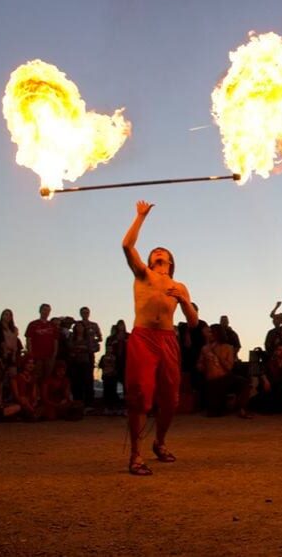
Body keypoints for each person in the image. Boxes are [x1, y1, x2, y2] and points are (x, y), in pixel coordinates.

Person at [122, 200, 199, 476]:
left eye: (161, 252)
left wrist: (184, 301)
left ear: (170, 261)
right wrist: (140, 217)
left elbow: (193, 322)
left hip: (167, 340)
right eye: (154, 252)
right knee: (140, 395)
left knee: (170, 399)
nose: (156, 253)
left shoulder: (179, 286)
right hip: (143, 337)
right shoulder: (143, 275)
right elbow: (128, 246)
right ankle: (135, 455)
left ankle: (160, 442)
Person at [198, 324, 253, 418]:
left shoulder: (228, 347)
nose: (210, 335)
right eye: (209, 333)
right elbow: (200, 364)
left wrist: (218, 355)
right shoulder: (204, 348)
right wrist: (202, 365)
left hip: (226, 378)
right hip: (212, 381)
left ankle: (242, 409)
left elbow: (229, 367)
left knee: (244, 382)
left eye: (212, 332)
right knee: (214, 413)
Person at [26, 304, 59, 380]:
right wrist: (30, 353)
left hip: (49, 356)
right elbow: (29, 339)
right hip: (36, 356)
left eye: (48, 310)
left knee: (47, 377)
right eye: (44, 310)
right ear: (40, 311)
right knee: (36, 376)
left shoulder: (52, 325)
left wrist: (54, 354)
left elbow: (55, 340)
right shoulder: (33, 324)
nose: (46, 312)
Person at [11, 355, 41, 420]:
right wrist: (25, 401)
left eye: (33, 363)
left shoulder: (33, 378)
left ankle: (31, 413)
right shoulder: (15, 378)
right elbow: (16, 396)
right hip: (20, 401)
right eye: (28, 363)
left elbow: (34, 394)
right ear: (24, 364)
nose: (31, 365)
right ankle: (33, 413)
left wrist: (34, 401)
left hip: (30, 402)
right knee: (23, 400)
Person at [0, 309, 22, 378]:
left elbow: (15, 342)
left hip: (12, 353)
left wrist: (14, 354)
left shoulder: (14, 329)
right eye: (6, 314)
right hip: (2, 352)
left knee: (13, 373)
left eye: (9, 315)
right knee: (1, 373)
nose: (8, 317)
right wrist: (4, 351)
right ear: (2, 316)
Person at [99, 340, 121, 414]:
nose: (109, 350)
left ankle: (114, 407)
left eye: (110, 348)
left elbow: (118, 366)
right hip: (106, 375)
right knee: (106, 391)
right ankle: (107, 407)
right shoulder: (103, 357)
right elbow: (100, 365)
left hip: (113, 376)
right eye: (108, 348)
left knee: (113, 391)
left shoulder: (115, 357)